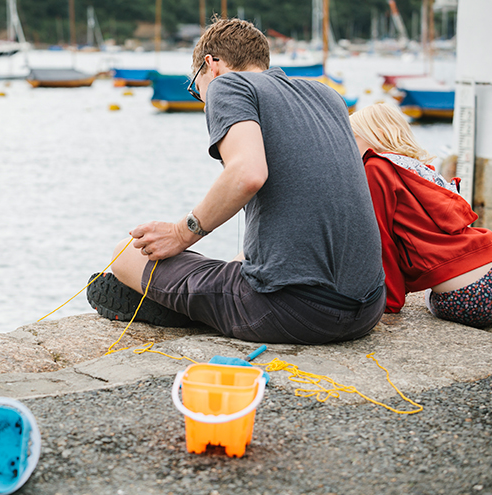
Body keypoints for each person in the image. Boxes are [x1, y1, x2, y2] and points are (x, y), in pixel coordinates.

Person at [86, 18, 386, 344]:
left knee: (126, 254)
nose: (201, 98)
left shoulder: (227, 85)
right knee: (231, 268)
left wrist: (179, 233)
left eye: (195, 87)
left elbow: (248, 174)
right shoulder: (327, 96)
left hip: (294, 313)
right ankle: (200, 300)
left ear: (210, 65)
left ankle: (184, 308)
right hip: (367, 308)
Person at [350, 102, 492, 326]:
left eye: (352, 139)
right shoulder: (414, 168)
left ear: (376, 135)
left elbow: (382, 239)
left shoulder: (376, 167)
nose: (347, 148)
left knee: (432, 300)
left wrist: (390, 301)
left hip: (467, 293)